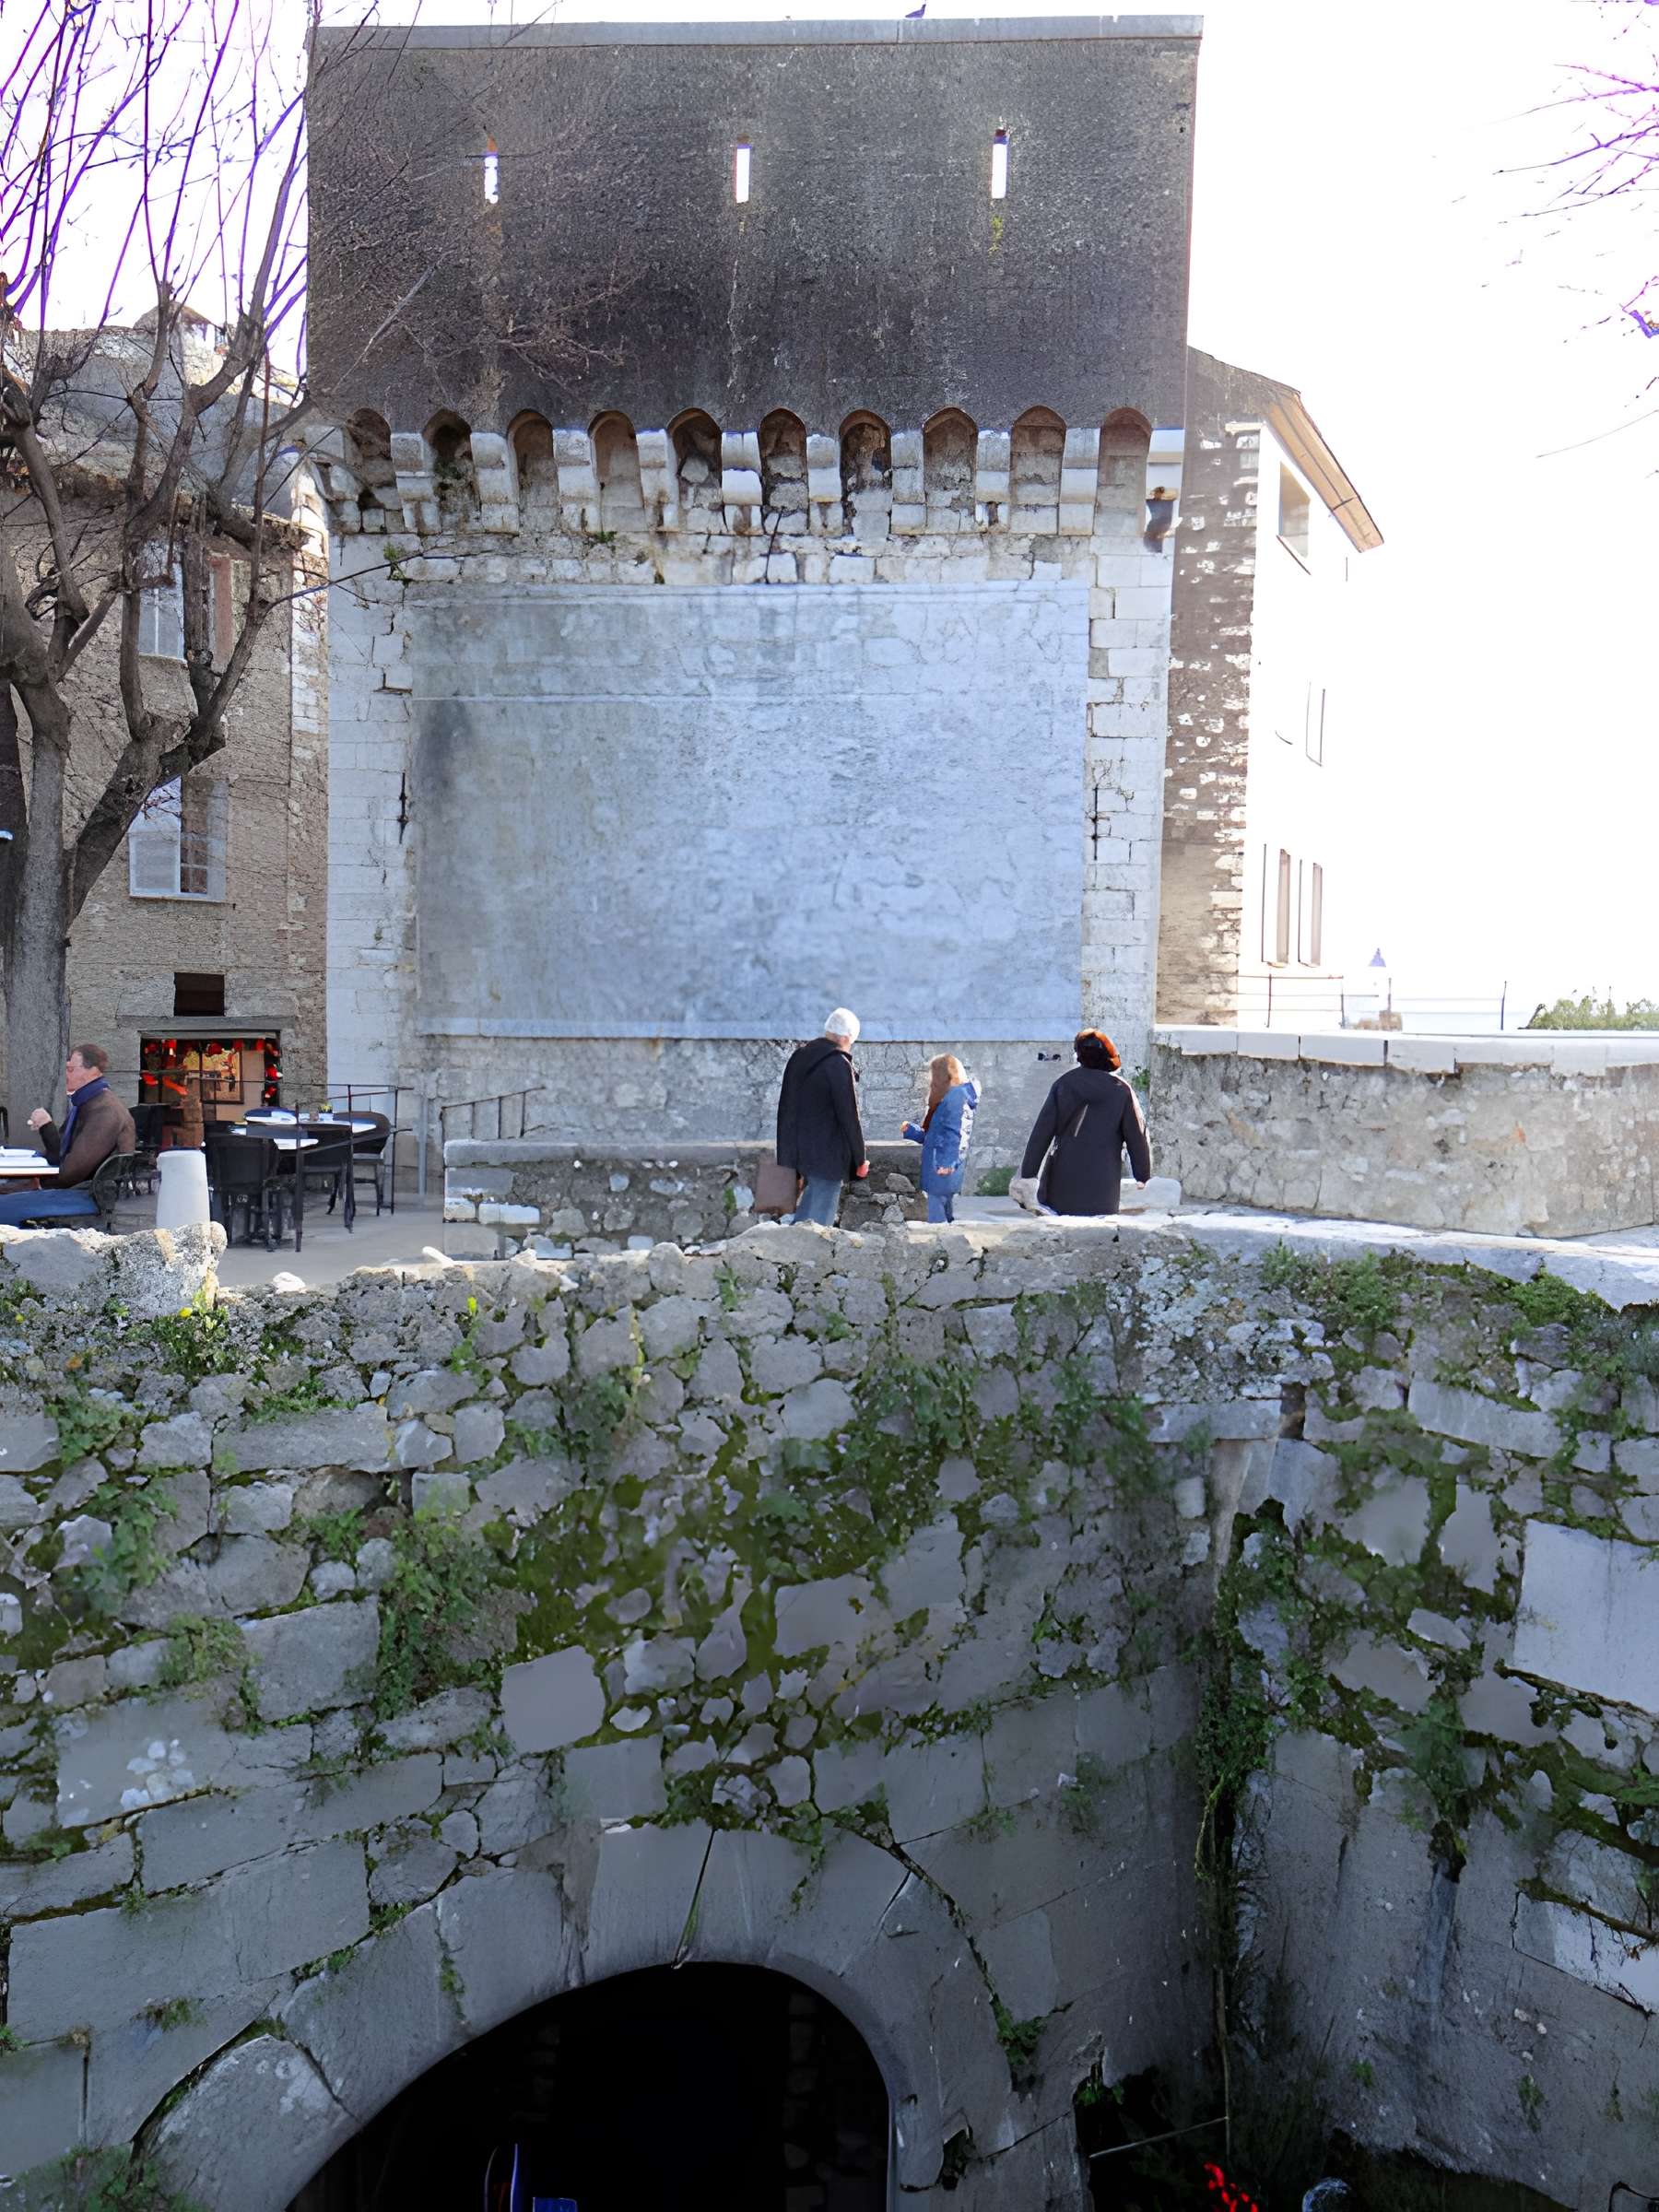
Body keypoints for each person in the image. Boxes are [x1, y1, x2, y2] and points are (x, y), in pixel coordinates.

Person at [0, 1042, 136, 1228]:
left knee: (3, 1207)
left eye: (71, 1069)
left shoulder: (105, 1110)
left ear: (93, 1071)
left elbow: (69, 1174)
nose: (66, 1074)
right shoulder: (87, 1103)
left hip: (86, 1197)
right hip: (78, 1191)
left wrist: (36, 1183)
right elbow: (58, 1156)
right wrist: (46, 1127)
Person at [1016, 1029, 1150, 1217]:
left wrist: (1028, 1173)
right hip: (1103, 1187)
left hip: (1062, 1183)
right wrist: (1142, 1174)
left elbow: (1041, 1133)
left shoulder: (1064, 1084)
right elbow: (1136, 1137)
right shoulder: (1121, 1091)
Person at [776, 1007, 868, 1227]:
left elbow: (786, 1104)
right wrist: (860, 1159)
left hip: (797, 1151)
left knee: (806, 1215)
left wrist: (787, 1155)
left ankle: (794, 1245)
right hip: (827, 1155)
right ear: (846, 1038)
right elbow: (849, 1116)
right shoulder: (837, 1063)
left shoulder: (799, 1057)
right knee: (819, 1225)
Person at [901, 1053, 980, 1224]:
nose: (932, 1082)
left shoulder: (955, 1098)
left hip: (941, 1168)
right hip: (943, 1167)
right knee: (946, 1215)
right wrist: (913, 1132)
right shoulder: (955, 1097)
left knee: (937, 1219)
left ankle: (939, 1240)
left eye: (934, 1076)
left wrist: (947, 1163)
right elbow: (937, 1134)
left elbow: (956, 1133)